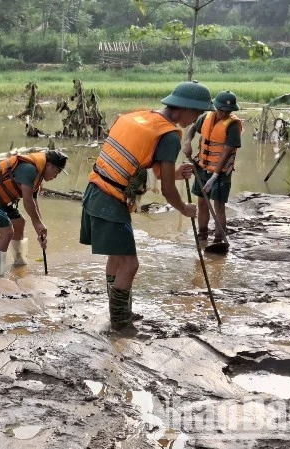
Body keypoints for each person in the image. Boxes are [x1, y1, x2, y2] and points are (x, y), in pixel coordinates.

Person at [80, 80, 214, 332]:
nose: (195, 120)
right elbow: (166, 190)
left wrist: (174, 173)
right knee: (130, 264)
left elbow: (138, 168)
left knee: (116, 258)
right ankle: (120, 323)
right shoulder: (168, 136)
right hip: (110, 201)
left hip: (95, 191)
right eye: (196, 113)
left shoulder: (139, 117)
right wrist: (184, 208)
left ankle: (121, 312)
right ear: (184, 108)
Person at [0, 149, 68, 277]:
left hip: (1, 199)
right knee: (7, 232)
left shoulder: (38, 174)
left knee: (19, 223)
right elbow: (27, 202)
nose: (55, 176)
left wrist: (39, 229)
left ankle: (19, 264)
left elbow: (33, 202)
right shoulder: (29, 169)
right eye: (56, 172)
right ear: (49, 165)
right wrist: (37, 222)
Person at [182, 90, 242, 245]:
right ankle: (202, 235)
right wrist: (188, 142)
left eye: (228, 111)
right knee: (202, 202)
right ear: (216, 107)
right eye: (221, 110)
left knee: (218, 205)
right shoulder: (205, 117)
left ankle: (218, 239)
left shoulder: (233, 126)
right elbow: (192, 129)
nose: (224, 114)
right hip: (202, 167)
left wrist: (214, 176)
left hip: (220, 172)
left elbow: (226, 154)